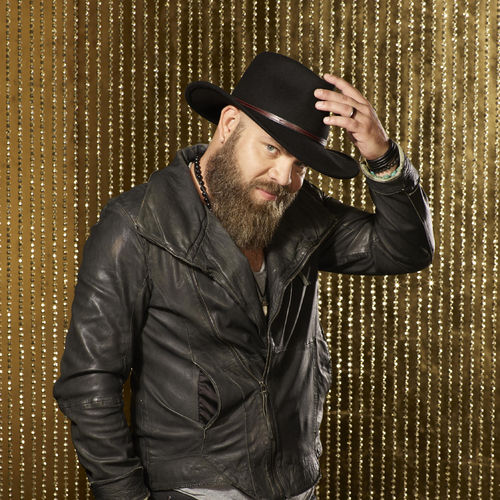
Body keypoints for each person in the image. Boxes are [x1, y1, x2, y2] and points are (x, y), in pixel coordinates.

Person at [54, 52, 434, 500]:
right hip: (193, 488)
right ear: (229, 124)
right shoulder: (137, 224)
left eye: (299, 163)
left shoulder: (299, 213)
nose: (283, 177)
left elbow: (405, 249)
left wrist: (383, 156)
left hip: (295, 484)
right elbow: (89, 381)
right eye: (271, 148)